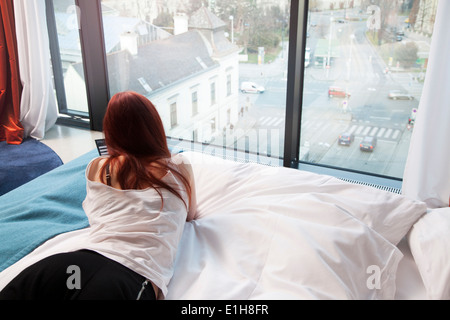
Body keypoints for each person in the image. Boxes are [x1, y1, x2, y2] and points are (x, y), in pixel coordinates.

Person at [0, 91, 197, 300]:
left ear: (111, 132)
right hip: (127, 275)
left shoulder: (98, 166)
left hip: (71, 266)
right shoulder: (179, 166)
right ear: (155, 127)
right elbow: (190, 214)